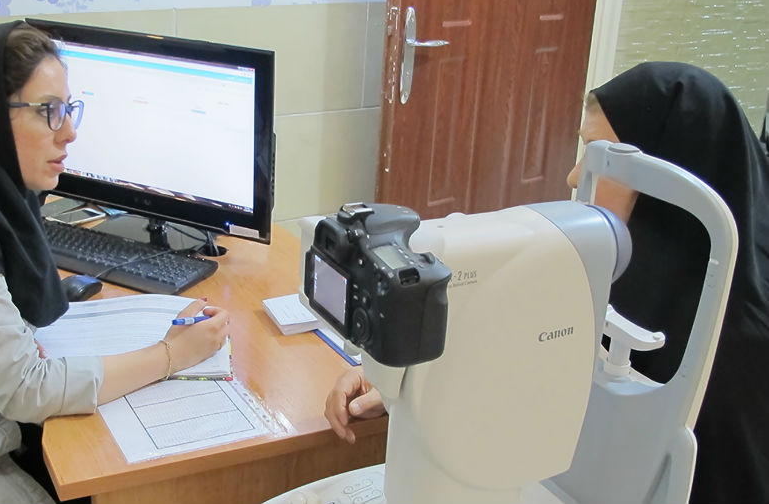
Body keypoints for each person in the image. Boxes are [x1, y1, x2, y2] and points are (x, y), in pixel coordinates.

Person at [325, 62, 768, 504]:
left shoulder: (737, 359)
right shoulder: (600, 272)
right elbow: (520, 345)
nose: (575, 176)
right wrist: (398, 371)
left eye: (598, 156)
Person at [0, 22, 229, 504]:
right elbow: (26, 391)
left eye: (69, 109)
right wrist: (172, 355)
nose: (71, 133)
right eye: (49, 112)